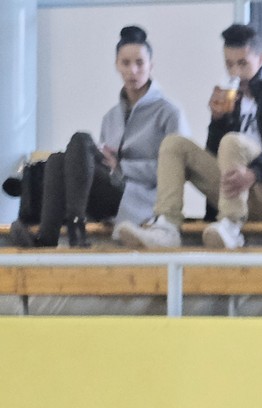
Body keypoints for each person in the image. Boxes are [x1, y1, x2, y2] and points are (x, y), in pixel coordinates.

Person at [118, 22, 262, 251]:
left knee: (232, 141)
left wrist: (254, 172)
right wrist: (218, 121)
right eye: (229, 64)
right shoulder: (231, 95)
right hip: (234, 188)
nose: (235, 72)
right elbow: (214, 154)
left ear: (261, 58)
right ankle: (167, 226)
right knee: (174, 144)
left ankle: (231, 224)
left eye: (242, 64)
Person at [7, 26, 186, 250]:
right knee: (57, 159)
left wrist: (122, 167)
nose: (133, 70)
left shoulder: (168, 112)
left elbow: (176, 171)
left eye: (140, 63)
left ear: (151, 65)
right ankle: (49, 236)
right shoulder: (111, 117)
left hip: (140, 200)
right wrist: (105, 162)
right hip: (106, 196)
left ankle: (74, 225)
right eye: (126, 63)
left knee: (81, 139)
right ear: (117, 65)